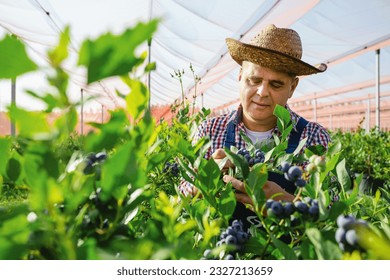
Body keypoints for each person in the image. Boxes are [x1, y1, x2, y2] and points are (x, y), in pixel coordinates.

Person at [179, 24, 331, 230]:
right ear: (240, 77)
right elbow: (180, 201)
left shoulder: (313, 137)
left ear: (292, 87)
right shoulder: (209, 131)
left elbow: (330, 212)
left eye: (276, 84)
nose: (262, 92)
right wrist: (205, 180)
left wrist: (291, 204)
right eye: (254, 80)